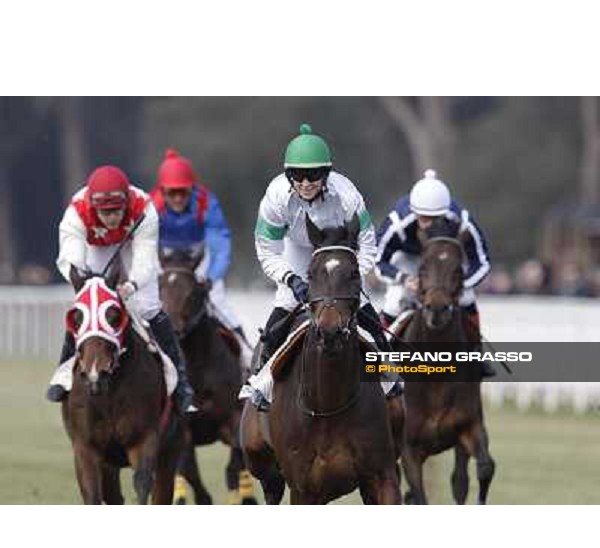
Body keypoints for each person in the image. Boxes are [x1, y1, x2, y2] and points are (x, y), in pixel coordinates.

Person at [239, 123, 397, 411]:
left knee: (369, 319)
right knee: (285, 306)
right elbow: (267, 251)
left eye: (313, 175)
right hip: (297, 251)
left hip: (339, 253)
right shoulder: (275, 197)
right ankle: (260, 384)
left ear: (327, 174)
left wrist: (348, 280)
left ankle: (390, 379)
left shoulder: (347, 196)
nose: (305, 182)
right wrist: (291, 279)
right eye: (297, 175)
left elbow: (368, 245)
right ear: (288, 175)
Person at [46, 165, 195, 412]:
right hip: (94, 249)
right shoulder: (76, 212)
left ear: (127, 202)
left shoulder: (144, 209)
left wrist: (132, 284)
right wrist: (85, 281)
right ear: (93, 207)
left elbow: (145, 257)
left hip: (131, 247)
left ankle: (181, 386)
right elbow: (71, 254)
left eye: (117, 210)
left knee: (149, 308)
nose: (113, 217)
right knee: (87, 308)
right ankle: (62, 376)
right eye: (105, 212)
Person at [375, 169, 494, 377]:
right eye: (424, 219)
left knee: (467, 297)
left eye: (435, 218)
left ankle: (475, 354)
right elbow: (377, 260)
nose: (430, 225)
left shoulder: (462, 221)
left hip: (445, 260)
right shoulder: (397, 222)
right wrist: (403, 279)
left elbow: (482, 262)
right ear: (414, 212)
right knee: (395, 299)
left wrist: (461, 283)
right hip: (408, 259)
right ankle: (381, 355)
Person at [150, 149, 252, 372]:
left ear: (192, 189)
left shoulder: (206, 202)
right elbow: (145, 244)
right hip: (163, 259)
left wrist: (212, 277)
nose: (177, 198)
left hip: (199, 258)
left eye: (182, 193)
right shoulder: (152, 206)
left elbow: (219, 244)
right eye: (172, 193)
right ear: (162, 191)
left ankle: (247, 356)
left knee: (217, 300)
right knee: (147, 304)